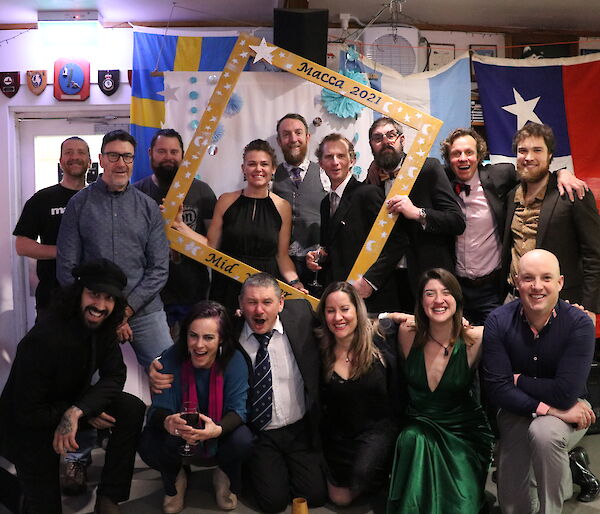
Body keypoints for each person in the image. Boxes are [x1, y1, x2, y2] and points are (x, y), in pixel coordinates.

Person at [149, 273, 327, 513]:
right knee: (272, 503)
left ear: (281, 303)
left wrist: (386, 317)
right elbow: (192, 341)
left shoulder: (301, 314)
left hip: (299, 429)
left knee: (315, 496)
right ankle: (236, 472)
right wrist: (157, 363)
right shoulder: (229, 333)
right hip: (261, 432)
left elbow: (341, 320)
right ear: (241, 305)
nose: (259, 310)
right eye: (251, 302)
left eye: (267, 302)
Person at [0, 259, 146, 514]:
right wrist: (78, 409)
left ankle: (109, 497)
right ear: (79, 293)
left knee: (130, 407)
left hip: (68, 406)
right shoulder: (44, 339)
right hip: (27, 426)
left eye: (109, 298)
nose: (100, 306)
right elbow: (28, 412)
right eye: (94, 294)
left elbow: (115, 375)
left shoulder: (104, 326)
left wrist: (80, 409)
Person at [482, 249, 598, 513]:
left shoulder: (580, 323)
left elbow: (566, 393)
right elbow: (498, 390)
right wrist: (550, 408)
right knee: (513, 504)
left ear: (560, 283)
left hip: (572, 410)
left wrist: (518, 379)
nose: (537, 286)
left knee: (544, 433)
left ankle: (551, 509)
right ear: (515, 281)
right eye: (528, 278)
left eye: (546, 278)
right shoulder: (498, 321)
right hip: (518, 410)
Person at [441, 127, 589, 325]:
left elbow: (594, 254)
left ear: (479, 155)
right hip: (465, 289)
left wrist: (562, 173)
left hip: (504, 291)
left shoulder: (501, 177)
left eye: (469, 152)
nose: (463, 158)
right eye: (456, 154)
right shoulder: (442, 184)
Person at [56, 129, 172, 370]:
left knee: (170, 375)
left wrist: (125, 311)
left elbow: (159, 268)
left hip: (144, 311)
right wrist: (99, 307)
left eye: (127, 157)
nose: (121, 163)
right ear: (101, 159)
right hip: (94, 313)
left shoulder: (148, 207)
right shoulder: (78, 204)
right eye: (114, 156)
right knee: (86, 384)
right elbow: (67, 268)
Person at [387, 268, 493, 514]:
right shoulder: (407, 334)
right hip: (420, 426)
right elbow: (363, 323)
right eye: (429, 294)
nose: (438, 300)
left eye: (446, 293)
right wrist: (391, 314)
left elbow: (517, 327)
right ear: (421, 301)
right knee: (414, 438)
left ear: (457, 299)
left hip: (462, 433)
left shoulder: (476, 338)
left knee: (462, 507)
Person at [138, 301, 252, 513]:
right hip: (179, 432)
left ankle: (223, 473)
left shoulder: (234, 360)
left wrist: (216, 430)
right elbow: (160, 407)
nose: (199, 345)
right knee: (148, 442)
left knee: (243, 440)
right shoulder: (171, 357)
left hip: (218, 430)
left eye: (208, 337)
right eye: (193, 335)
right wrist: (168, 421)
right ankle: (175, 479)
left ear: (221, 340)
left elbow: (239, 411)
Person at [171, 139, 305, 314]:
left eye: (264, 164)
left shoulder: (283, 207)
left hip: (264, 290)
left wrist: (295, 284)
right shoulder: (225, 201)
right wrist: (180, 226)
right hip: (227, 284)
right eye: (252, 164)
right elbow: (211, 246)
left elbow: (282, 256)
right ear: (243, 169)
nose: (258, 169)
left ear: (273, 169)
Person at [357, 117, 465, 312]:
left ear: (402, 139)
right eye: (378, 138)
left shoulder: (428, 168)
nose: (386, 141)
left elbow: (457, 221)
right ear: (371, 145)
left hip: (430, 280)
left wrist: (418, 213)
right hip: (388, 284)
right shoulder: (371, 183)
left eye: (391, 135)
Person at [501, 122, 600, 314]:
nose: (529, 157)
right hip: (514, 300)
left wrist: (588, 307)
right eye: (523, 151)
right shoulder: (511, 195)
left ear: (550, 155)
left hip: (563, 303)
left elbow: (594, 255)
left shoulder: (572, 194)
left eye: (537, 150)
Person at [316, 282, 399, 506]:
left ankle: (383, 473)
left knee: (363, 475)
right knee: (340, 499)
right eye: (330, 310)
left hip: (377, 429)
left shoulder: (381, 336)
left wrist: (392, 315)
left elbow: (419, 322)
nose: (338, 317)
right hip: (338, 434)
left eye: (344, 309)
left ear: (357, 310)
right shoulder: (319, 346)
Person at [306, 133, 409, 313]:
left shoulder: (368, 193)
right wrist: (320, 256)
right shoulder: (325, 204)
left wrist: (371, 281)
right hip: (341, 300)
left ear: (352, 161)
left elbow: (397, 241)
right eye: (329, 157)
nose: (335, 162)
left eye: (341, 156)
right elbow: (332, 247)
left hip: (374, 301)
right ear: (321, 164)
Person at [134, 128, 217, 336]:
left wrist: (181, 227)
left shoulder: (203, 192)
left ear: (183, 155)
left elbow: (215, 247)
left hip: (195, 293)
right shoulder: (135, 194)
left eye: (174, 152)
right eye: (162, 151)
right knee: (160, 361)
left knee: (195, 356)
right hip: (151, 296)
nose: (168, 157)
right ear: (150, 153)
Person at [13, 136, 90, 314]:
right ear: (61, 161)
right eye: (68, 152)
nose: (74, 156)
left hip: (93, 296)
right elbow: (22, 246)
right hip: (52, 298)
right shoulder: (42, 199)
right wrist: (64, 252)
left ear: (90, 161)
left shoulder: (98, 199)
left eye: (81, 152)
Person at [272, 114, 328, 288]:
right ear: (279, 141)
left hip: (320, 267)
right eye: (286, 134)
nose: (293, 139)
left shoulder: (326, 172)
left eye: (298, 133)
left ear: (308, 137)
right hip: (281, 268)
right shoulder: (269, 176)